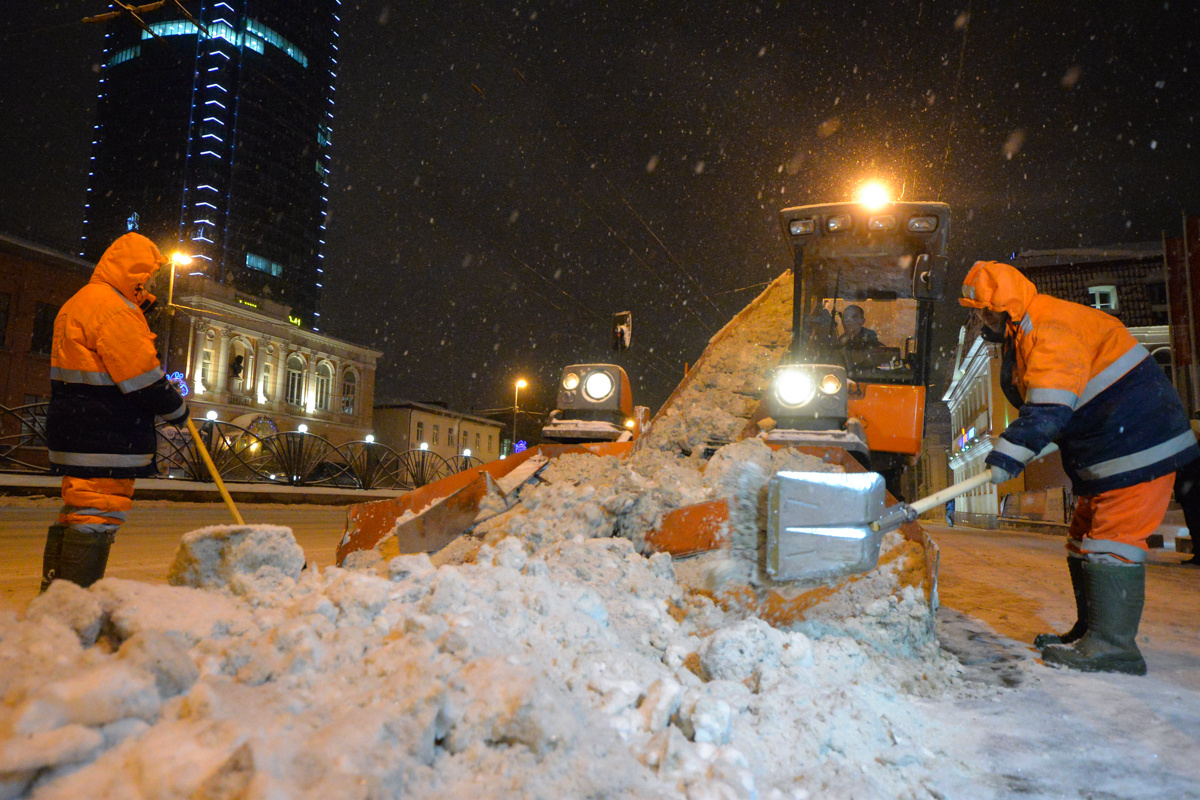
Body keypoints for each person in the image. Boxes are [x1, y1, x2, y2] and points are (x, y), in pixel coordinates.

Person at [961, 260, 1198, 675]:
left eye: (983, 309)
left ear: (1005, 305)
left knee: (1112, 542)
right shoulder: (1025, 332)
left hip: (1137, 445)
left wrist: (1008, 454)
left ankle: (1114, 646)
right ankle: (1092, 632)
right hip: (1108, 449)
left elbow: (1050, 406)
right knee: (1083, 537)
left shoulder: (1051, 328)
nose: (980, 318)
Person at [41, 232, 189, 592]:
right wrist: (176, 408)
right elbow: (141, 377)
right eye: (149, 276)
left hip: (76, 427)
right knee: (98, 512)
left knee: (78, 510)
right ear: (134, 273)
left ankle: (55, 598)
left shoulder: (80, 302)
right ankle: (74, 607)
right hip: (105, 432)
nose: (151, 283)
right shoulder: (114, 309)